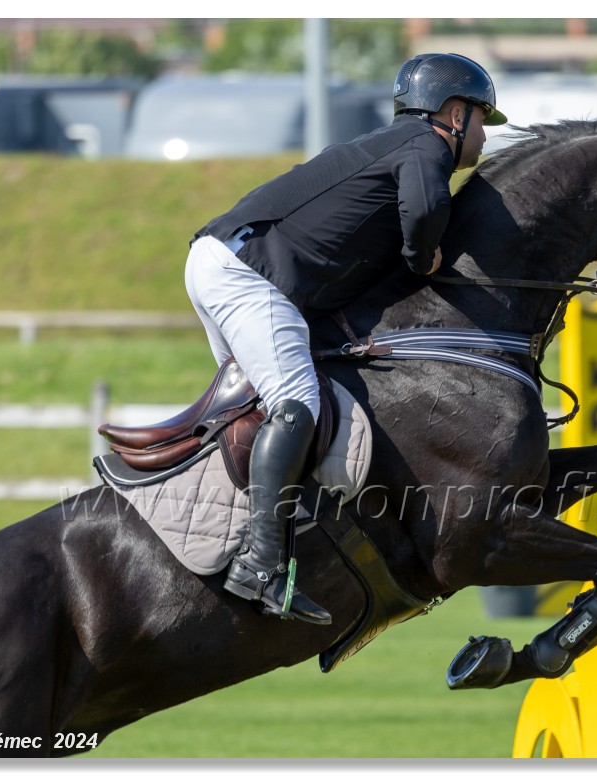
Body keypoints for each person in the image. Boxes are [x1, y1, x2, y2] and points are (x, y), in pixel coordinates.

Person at [185, 53, 507, 624]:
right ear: (454, 115)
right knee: (296, 405)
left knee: (263, 413)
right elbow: (426, 212)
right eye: (482, 120)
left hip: (223, 262)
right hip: (249, 274)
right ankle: (261, 564)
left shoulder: (391, 144)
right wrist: (426, 255)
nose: (482, 137)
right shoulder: (426, 146)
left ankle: (237, 537)